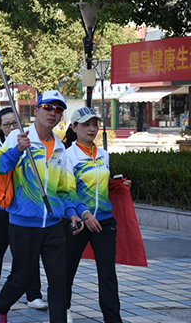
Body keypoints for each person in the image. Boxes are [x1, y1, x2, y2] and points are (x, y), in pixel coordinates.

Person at [0, 90, 85, 323]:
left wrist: (72, 213)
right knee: (22, 277)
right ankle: (0, 305)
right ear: (36, 110)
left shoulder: (60, 148)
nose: (53, 113)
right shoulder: (18, 137)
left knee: (59, 279)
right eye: (48, 107)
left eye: (58, 109)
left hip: (53, 224)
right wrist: (17, 151)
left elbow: (63, 188)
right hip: (23, 223)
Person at [63, 107, 125, 323]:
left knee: (107, 273)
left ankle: (113, 319)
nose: (91, 129)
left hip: (104, 222)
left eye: (94, 124)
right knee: (67, 268)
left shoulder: (104, 155)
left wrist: (119, 185)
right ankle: (63, 308)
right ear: (74, 127)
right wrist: (84, 213)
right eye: (85, 124)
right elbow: (67, 190)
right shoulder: (68, 155)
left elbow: (101, 185)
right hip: (78, 221)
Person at [0, 107, 47, 308]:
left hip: (22, 204)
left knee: (29, 251)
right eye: (7, 124)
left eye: (14, 123)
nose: (11, 128)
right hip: (1, 203)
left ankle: (33, 294)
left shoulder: (31, 142)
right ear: (0, 127)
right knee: (0, 243)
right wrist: (17, 148)